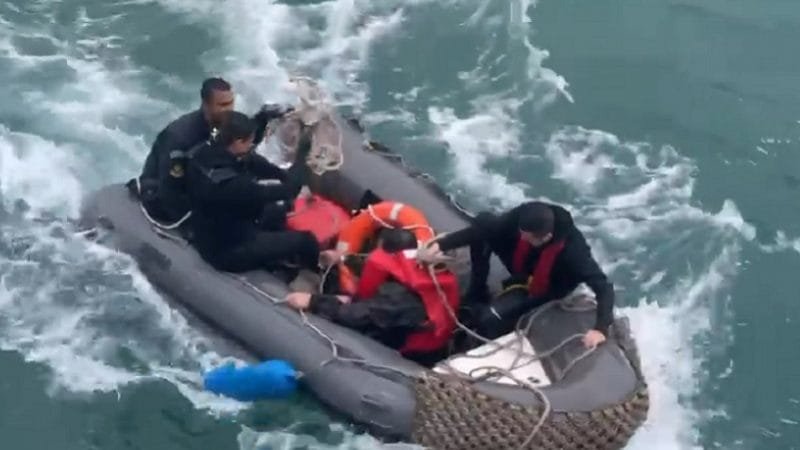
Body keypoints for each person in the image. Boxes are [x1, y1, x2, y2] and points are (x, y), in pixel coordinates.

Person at [420, 201, 614, 349]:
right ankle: (477, 291)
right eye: (522, 233)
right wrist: (441, 245)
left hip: (547, 283)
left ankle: (476, 342)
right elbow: (486, 229)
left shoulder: (575, 254)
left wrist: (600, 329)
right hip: (523, 262)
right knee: (484, 222)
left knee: (489, 318)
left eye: (527, 236)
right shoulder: (525, 216)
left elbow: (603, 287)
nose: (522, 238)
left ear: (545, 237)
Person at [285, 228, 461, 366]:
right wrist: (344, 259)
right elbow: (382, 266)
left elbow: (354, 315)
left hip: (408, 347)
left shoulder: (404, 300)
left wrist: (312, 301)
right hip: (393, 316)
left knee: (339, 314)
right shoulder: (433, 275)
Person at [131, 77, 291, 223]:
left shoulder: (223, 126)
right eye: (222, 105)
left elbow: (245, 150)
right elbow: (171, 189)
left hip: (202, 186)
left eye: (231, 103)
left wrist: (283, 176)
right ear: (206, 105)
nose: (229, 109)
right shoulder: (180, 138)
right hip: (166, 192)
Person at [185, 110, 319, 274]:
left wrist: (281, 175)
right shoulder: (236, 186)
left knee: (279, 212)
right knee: (306, 240)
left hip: (215, 228)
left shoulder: (205, 153)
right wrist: (304, 153)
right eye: (249, 142)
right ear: (237, 142)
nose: (252, 145)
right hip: (229, 250)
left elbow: (254, 163)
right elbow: (289, 190)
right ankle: (316, 275)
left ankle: (280, 256)